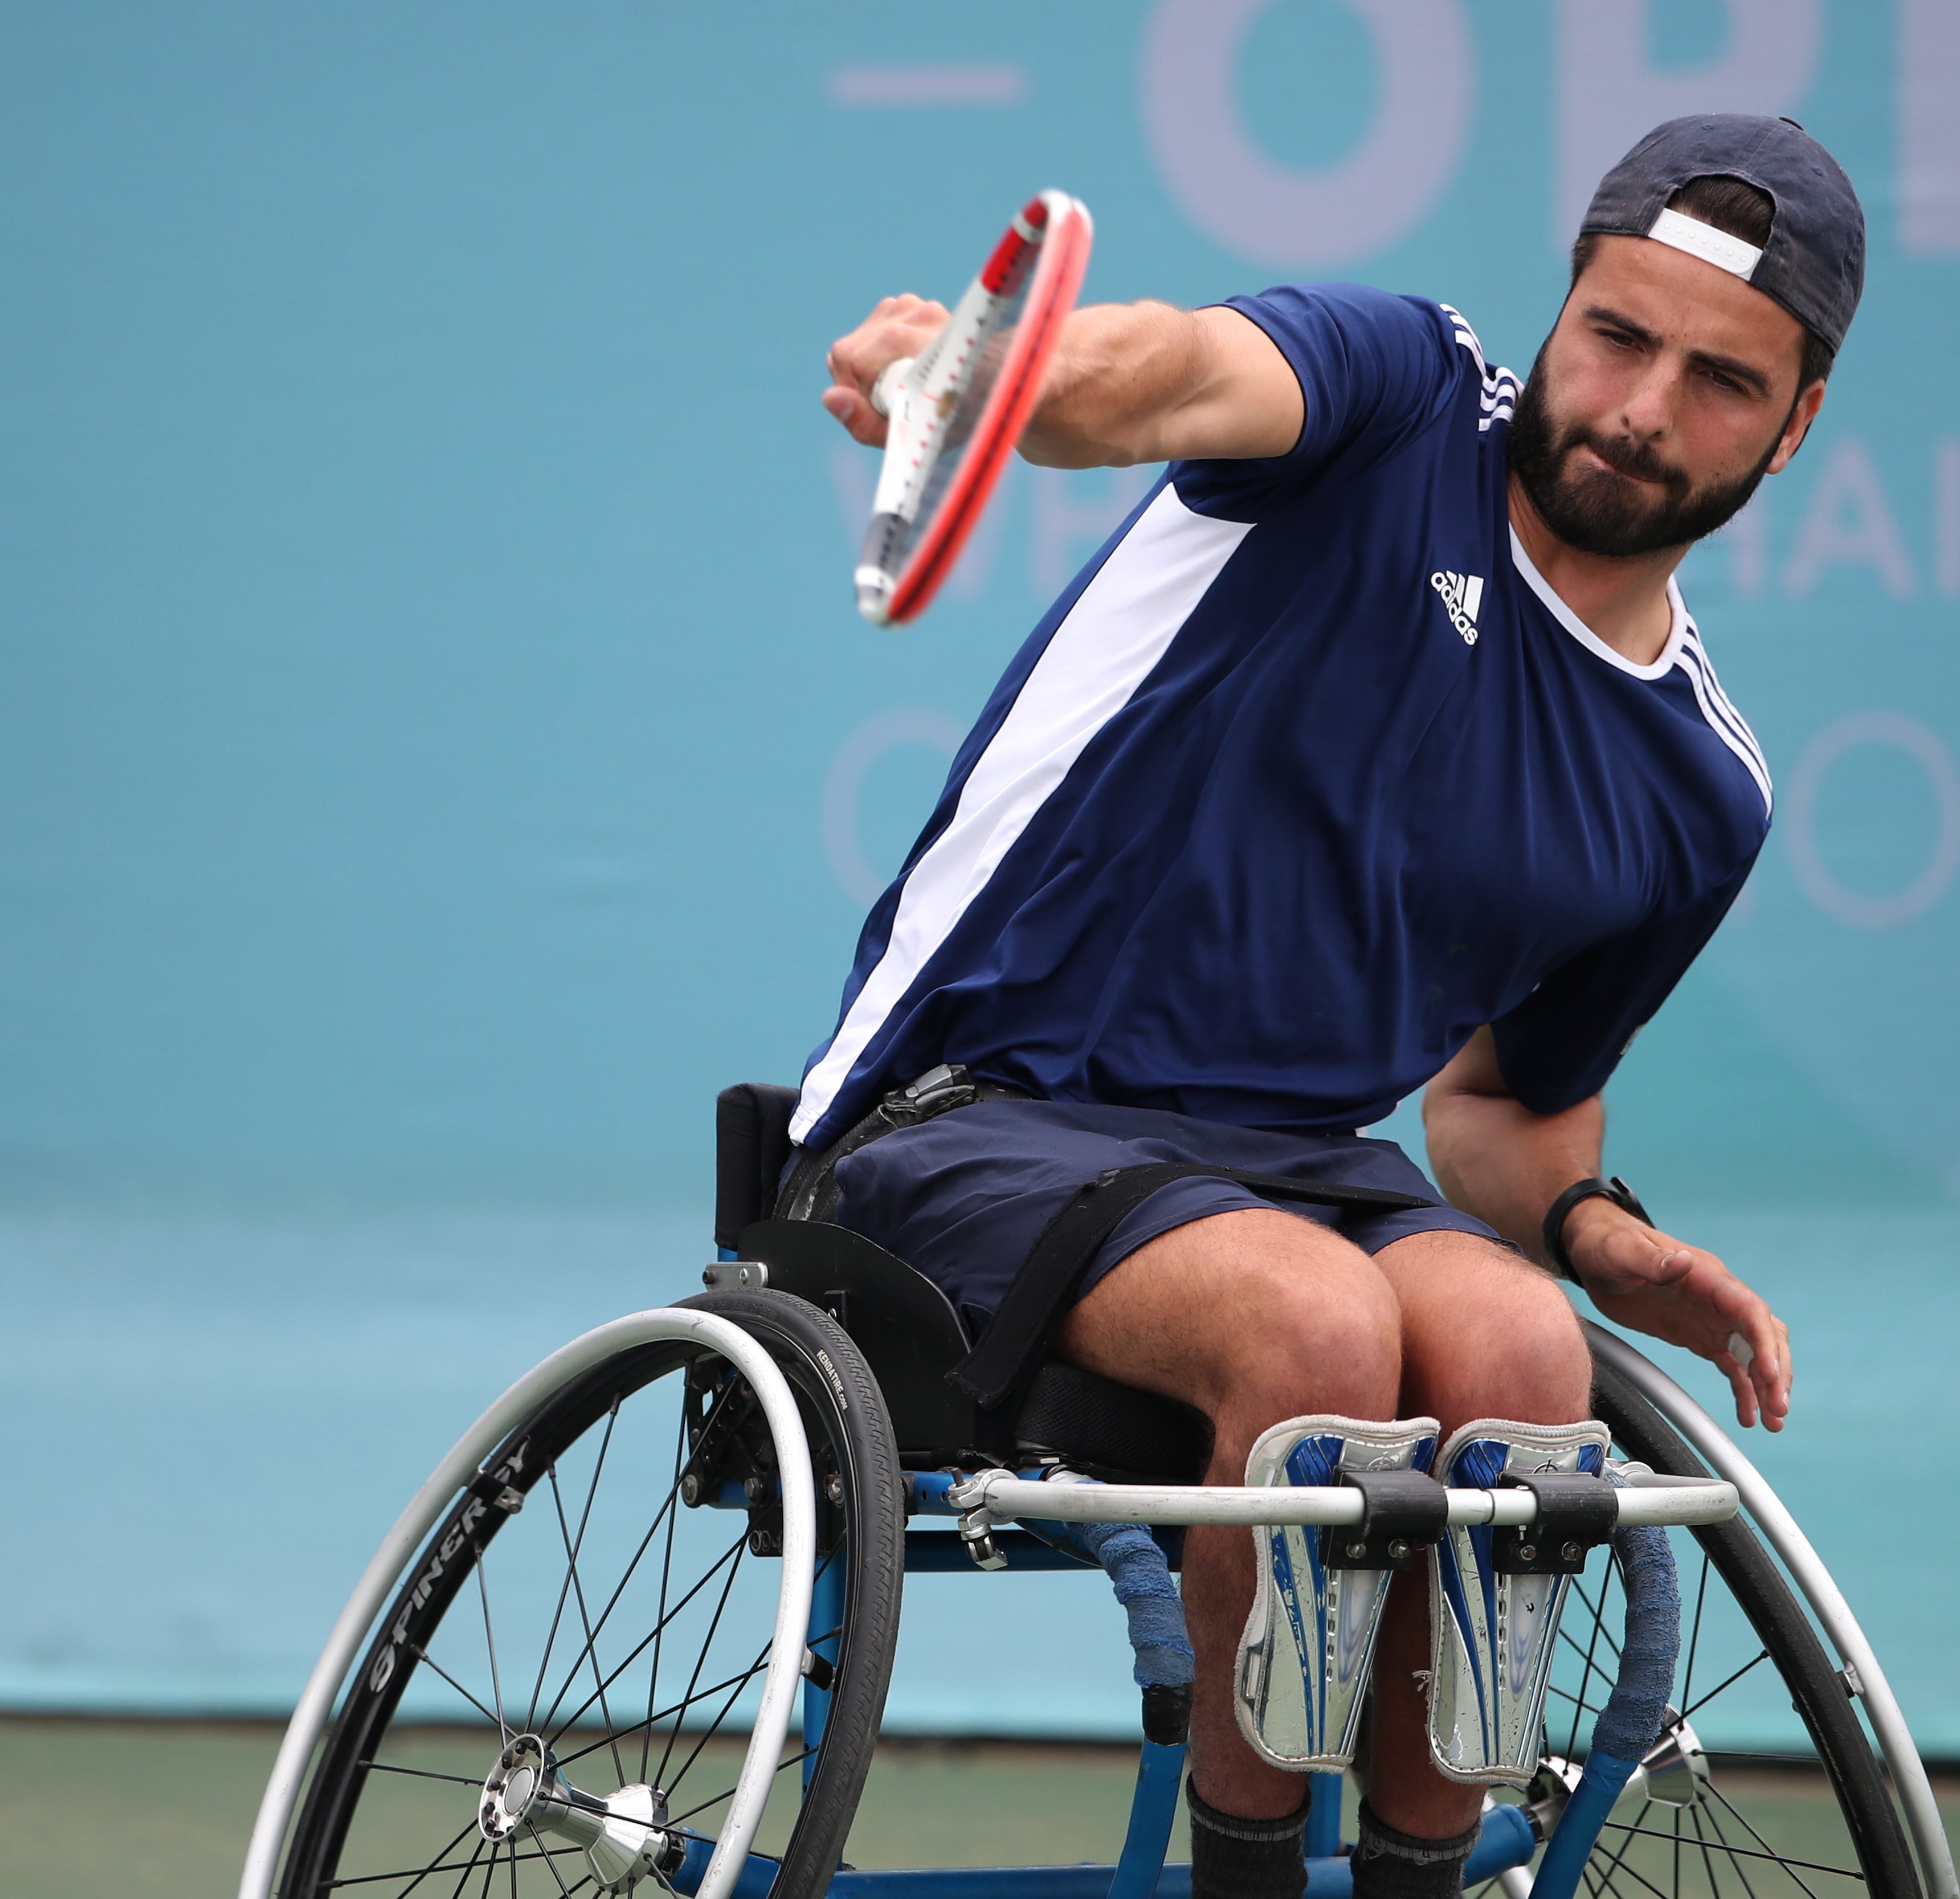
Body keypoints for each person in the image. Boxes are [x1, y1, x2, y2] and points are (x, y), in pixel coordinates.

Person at [798, 116, 1864, 1899]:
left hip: (1293, 1166)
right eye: (1616, 334)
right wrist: (993, 378)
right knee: (1315, 1334)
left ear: (1798, 419)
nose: (1640, 406)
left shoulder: (1700, 788)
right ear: (1565, 306)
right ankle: (1251, 1877)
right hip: (975, 1107)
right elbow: (1156, 375)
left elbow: (1505, 1118)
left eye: (1720, 380)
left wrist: (1599, 1232)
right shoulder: (1393, 397)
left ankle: (1416, 1881)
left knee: (1526, 1357)